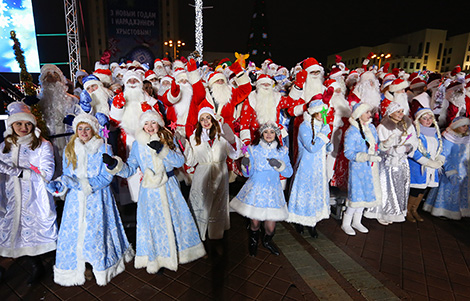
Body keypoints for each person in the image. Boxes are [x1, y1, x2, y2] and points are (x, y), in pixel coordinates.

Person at [103, 111, 205, 273]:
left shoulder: (168, 138)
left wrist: (163, 150)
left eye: (153, 123)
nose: (150, 127)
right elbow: (130, 169)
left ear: (159, 124)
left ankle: (180, 253)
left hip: (169, 187)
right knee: (153, 224)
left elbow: (179, 161)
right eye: (146, 123)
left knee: (175, 219)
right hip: (149, 191)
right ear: (142, 126)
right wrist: (115, 165)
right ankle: (157, 258)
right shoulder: (137, 144)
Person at [47, 113, 133, 286]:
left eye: (87, 128)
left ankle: (100, 266)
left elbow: (106, 178)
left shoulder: (104, 148)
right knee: (77, 234)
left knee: (95, 232)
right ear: (75, 130)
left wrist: (81, 184)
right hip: (75, 202)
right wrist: (60, 185)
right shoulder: (69, 149)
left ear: (94, 130)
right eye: (80, 128)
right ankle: (80, 266)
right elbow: (66, 175)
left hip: (98, 198)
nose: (84, 132)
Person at [0, 102, 57, 284]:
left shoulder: (42, 144)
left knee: (35, 231)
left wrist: (16, 171)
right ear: (11, 125)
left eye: (28, 124)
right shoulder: (3, 146)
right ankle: (32, 263)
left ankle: (41, 264)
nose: (24, 128)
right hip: (11, 197)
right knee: (14, 232)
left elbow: (46, 173)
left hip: (34, 196)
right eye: (19, 124)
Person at [230, 122, 293, 256]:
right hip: (256, 190)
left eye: (272, 132)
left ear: (276, 134)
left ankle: (267, 241)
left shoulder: (282, 151)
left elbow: (289, 173)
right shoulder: (253, 149)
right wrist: (245, 165)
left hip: (273, 191)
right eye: (266, 132)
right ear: (261, 134)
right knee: (255, 223)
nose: (269, 135)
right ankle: (253, 241)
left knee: (270, 228)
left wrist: (279, 165)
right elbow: (248, 174)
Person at [184, 104, 242, 241]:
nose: (205, 122)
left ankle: (216, 235)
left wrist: (233, 140)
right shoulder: (194, 138)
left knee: (218, 203)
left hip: (220, 173)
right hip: (202, 174)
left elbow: (236, 154)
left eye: (208, 118)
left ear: (213, 119)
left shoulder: (221, 136)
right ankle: (198, 235)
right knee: (201, 204)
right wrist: (185, 145)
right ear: (199, 122)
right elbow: (191, 161)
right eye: (202, 119)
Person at [364, 102, 418, 225]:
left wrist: (406, 148)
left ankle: (395, 211)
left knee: (399, 187)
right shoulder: (383, 127)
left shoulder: (408, 125)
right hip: (387, 163)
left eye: (402, 111)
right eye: (398, 111)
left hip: (402, 161)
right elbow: (380, 145)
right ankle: (382, 211)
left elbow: (413, 140)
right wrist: (392, 150)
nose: (401, 114)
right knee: (386, 187)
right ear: (390, 112)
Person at [287, 99, 332, 238]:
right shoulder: (304, 126)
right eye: (321, 112)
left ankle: (312, 223)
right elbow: (312, 147)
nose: (323, 114)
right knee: (305, 193)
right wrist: (324, 134)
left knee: (316, 194)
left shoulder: (322, 126)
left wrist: (329, 144)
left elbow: (325, 148)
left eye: (324, 112)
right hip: (306, 168)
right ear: (314, 112)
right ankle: (300, 221)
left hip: (319, 167)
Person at [342, 103, 382, 236]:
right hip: (358, 168)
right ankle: (346, 223)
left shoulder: (371, 127)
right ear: (359, 114)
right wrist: (365, 156)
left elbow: (376, 144)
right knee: (356, 194)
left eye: (369, 112)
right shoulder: (352, 131)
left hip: (370, 167)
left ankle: (357, 221)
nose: (370, 115)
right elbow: (348, 153)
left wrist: (385, 144)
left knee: (365, 193)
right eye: (367, 112)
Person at [423, 117, 470, 219]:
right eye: (463, 126)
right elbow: (445, 156)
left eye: (467, 126)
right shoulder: (447, 138)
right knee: (448, 191)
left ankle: (461, 211)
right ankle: (444, 211)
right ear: (456, 126)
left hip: (464, 171)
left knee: (462, 193)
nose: (466, 128)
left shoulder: (467, 138)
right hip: (450, 170)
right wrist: (450, 171)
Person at [407, 108, 444, 222]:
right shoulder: (415, 133)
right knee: (416, 189)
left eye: (430, 118)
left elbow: (439, 149)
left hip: (431, 168)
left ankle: (415, 210)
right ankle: (408, 210)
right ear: (419, 120)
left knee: (424, 189)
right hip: (418, 166)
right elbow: (413, 150)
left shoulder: (434, 133)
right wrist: (426, 162)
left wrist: (439, 160)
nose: (428, 121)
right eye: (425, 118)